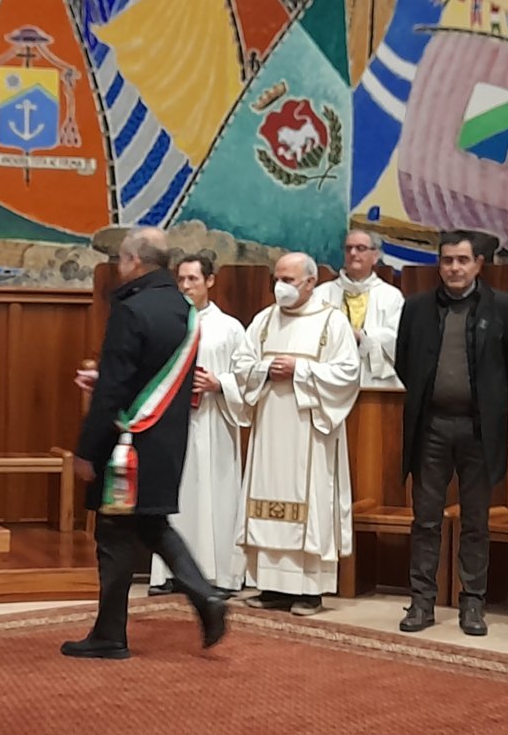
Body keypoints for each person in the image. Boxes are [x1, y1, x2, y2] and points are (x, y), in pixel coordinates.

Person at [64, 227, 228, 659]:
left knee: (114, 536)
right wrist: (106, 378)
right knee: (151, 524)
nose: (119, 266)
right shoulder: (184, 308)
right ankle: (203, 596)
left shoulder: (131, 309)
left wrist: (87, 450)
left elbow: (115, 389)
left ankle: (111, 634)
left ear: (134, 260)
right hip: (167, 439)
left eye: (121, 258)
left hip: (127, 445)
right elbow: (152, 372)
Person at [395, 230, 508, 636]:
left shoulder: (503, 307)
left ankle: (472, 604)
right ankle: (422, 602)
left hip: (478, 429)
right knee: (425, 520)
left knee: (475, 522)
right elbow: (404, 362)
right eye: (447, 260)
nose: (454, 268)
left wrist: (485, 401)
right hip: (431, 427)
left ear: (478, 264)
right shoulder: (417, 308)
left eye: (462, 260)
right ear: (440, 264)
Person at [234, 252, 361, 616]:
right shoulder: (263, 320)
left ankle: (309, 590)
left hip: (309, 428)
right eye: (277, 279)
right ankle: (271, 586)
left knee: (309, 502)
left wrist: (300, 370)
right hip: (270, 426)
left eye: (288, 280)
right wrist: (264, 370)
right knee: (265, 497)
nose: (280, 287)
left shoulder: (332, 322)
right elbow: (241, 365)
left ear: (310, 282)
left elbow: (348, 374)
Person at [149, 255, 248, 597]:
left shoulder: (230, 328)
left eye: (193, 279)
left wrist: (220, 384)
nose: (186, 286)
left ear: (210, 281)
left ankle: (217, 576)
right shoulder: (169, 323)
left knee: (214, 495)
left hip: (215, 421)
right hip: (174, 423)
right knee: (177, 495)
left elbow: (247, 377)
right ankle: (171, 574)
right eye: (181, 279)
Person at [318, 229, 404, 388]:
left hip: (374, 380)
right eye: (348, 248)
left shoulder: (391, 296)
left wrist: (362, 337)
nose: (353, 253)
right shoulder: (322, 294)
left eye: (360, 248)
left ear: (375, 256)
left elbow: (399, 339)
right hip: (332, 378)